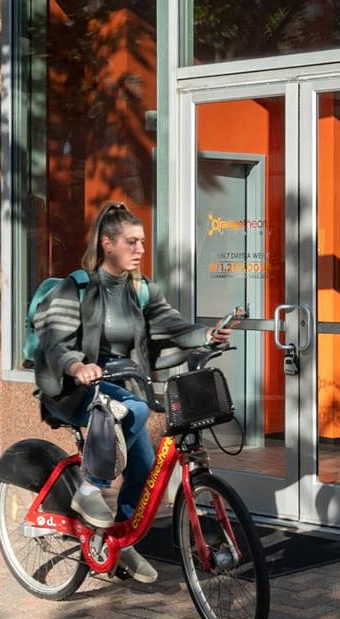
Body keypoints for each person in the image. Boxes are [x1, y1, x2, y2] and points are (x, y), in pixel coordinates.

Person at [31, 202, 234, 583]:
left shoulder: (140, 290)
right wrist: (78, 366)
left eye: (142, 241)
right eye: (132, 241)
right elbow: (54, 343)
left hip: (125, 388)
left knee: (144, 466)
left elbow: (170, 324)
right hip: (79, 389)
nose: (141, 249)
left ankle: (120, 543)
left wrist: (206, 334)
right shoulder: (74, 288)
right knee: (135, 411)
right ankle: (91, 488)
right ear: (108, 244)